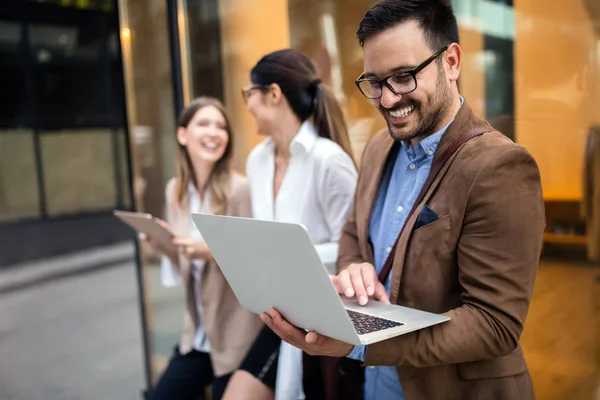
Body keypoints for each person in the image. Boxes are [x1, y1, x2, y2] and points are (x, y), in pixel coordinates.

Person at [260, 1, 546, 400]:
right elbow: (351, 233)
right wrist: (355, 266)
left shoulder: (500, 166)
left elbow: (494, 324)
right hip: (375, 385)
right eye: (375, 82)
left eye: (404, 77)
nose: (388, 100)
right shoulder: (379, 147)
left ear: (451, 61)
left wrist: (361, 342)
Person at [222, 49, 358, 400]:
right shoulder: (257, 161)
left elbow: (355, 250)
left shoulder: (329, 162)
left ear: (273, 94)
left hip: (322, 324)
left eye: (249, 93)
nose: (247, 103)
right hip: (277, 316)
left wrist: (290, 254)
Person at [143, 97, 263, 400]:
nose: (214, 132)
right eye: (204, 124)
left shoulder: (240, 190)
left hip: (236, 336)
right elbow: (189, 266)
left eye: (221, 126)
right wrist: (164, 246)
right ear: (182, 135)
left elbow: (255, 259)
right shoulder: (176, 191)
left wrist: (210, 251)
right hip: (196, 336)